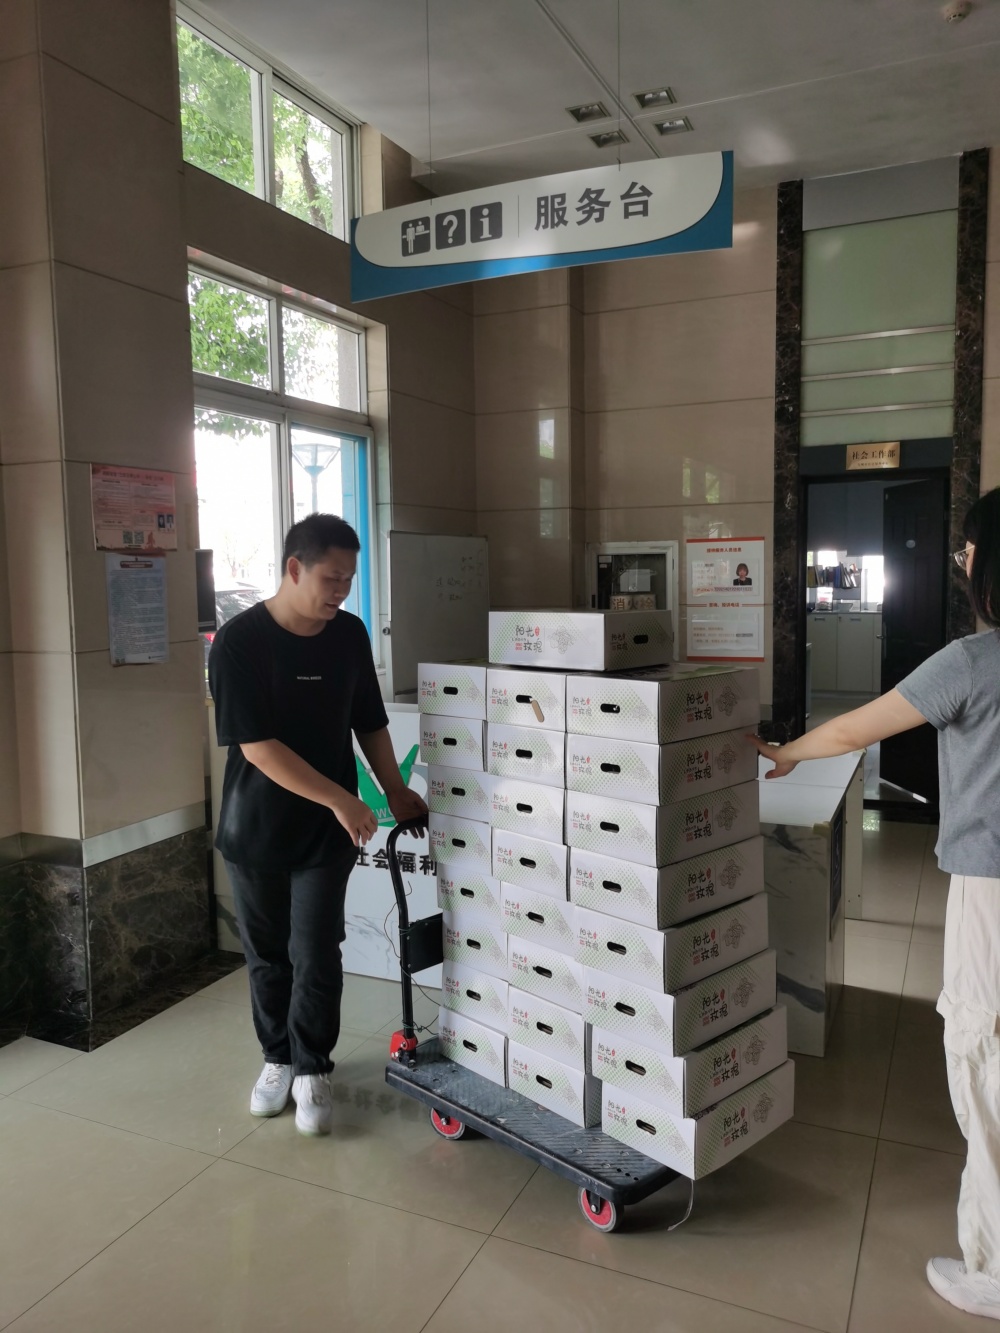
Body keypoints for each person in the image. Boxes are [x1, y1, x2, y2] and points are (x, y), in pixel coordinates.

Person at [748, 486, 1000, 1322]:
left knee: (983, 1054)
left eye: (967, 550)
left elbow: (859, 727)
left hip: (993, 889)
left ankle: (994, 1267)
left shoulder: (973, 661)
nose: (961, 563)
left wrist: (786, 749)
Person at [209, 513, 427, 1137]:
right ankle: (276, 1059)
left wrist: (394, 791)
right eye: (332, 578)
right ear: (294, 568)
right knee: (268, 955)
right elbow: (258, 747)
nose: (341, 591)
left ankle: (312, 1067)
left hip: (326, 835)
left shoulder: (348, 635)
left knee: (316, 952)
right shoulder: (240, 642)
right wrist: (341, 798)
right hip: (255, 829)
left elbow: (369, 720)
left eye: (349, 579)